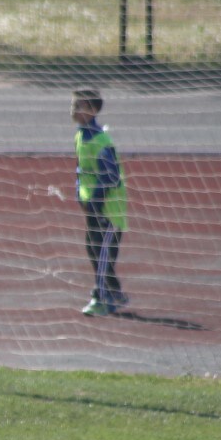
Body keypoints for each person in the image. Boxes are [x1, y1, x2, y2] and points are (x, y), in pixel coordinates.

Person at [71, 88, 128, 316]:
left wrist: (96, 201)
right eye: (73, 105)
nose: (74, 110)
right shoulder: (79, 135)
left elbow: (111, 177)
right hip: (93, 207)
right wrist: (79, 193)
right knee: (93, 250)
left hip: (109, 209)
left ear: (93, 110)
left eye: (79, 106)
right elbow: (81, 169)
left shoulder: (101, 141)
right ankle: (115, 293)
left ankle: (101, 297)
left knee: (103, 252)